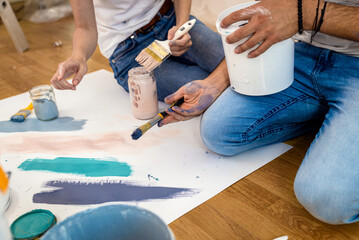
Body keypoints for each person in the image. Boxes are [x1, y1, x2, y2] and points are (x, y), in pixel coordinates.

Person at [160, 0, 359, 225]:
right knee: (218, 132)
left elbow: (295, 12)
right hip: (300, 49)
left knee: (327, 200)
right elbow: (273, 15)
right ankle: (329, 117)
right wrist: (215, 83)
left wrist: (303, 13)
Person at [50, 0, 224, 101]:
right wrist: (78, 56)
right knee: (202, 89)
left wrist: (181, 25)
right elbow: (85, 28)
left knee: (236, 62)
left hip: (170, 20)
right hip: (128, 53)